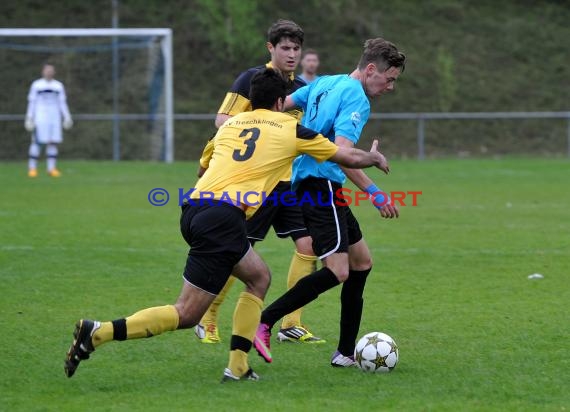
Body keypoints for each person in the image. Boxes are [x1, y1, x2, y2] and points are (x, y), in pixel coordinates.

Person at [64, 68, 392, 382]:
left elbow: (202, 166)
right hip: (223, 218)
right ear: (281, 103)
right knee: (186, 313)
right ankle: (99, 332)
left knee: (259, 276)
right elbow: (344, 156)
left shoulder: (230, 126)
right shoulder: (290, 128)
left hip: (194, 209)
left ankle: (238, 366)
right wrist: (374, 158)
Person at [254, 38, 406, 367]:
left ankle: (345, 352)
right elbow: (341, 151)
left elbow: (279, 105)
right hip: (320, 187)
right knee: (337, 270)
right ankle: (265, 320)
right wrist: (372, 165)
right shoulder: (357, 98)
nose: (390, 87)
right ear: (370, 70)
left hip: (317, 183)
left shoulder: (325, 83)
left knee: (361, 262)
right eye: (389, 79)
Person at [195, 19, 324, 345]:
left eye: (297, 48)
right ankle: (208, 318)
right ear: (271, 48)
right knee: (239, 251)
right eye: (285, 48)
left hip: (289, 182)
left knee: (308, 245)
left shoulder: (300, 91)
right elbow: (222, 120)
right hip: (256, 182)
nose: (292, 54)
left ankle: (290, 324)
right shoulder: (253, 79)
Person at [25, 63, 73, 178]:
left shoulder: (58, 86)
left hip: (54, 118)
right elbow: (32, 102)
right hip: (40, 118)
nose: (49, 72)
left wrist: (67, 116)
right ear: (43, 71)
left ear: (54, 72)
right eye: (47, 70)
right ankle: (32, 169)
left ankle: (51, 169)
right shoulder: (36, 85)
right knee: (36, 142)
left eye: (51, 70)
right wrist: (29, 117)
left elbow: (62, 102)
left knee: (53, 142)